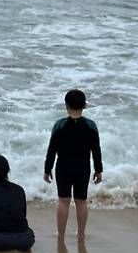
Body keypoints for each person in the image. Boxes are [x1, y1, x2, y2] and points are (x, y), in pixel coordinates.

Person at [44, 89, 103, 241]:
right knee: (81, 201)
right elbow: (96, 150)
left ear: (66, 106)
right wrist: (98, 170)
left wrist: (47, 169)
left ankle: (61, 234)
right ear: (84, 106)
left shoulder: (59, 125)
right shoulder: (91, 126)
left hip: (63, 167)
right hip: (83, 168)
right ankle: (81, 234)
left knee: (63, 201)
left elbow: (52, 149)